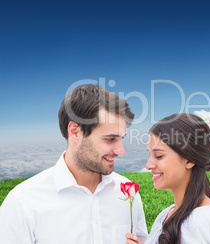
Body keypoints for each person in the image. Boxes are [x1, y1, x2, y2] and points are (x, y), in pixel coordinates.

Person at [0, 84, 148, 244]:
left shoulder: (127, 193)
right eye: (110, 139)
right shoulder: (23, 202)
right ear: (75, 131)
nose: (121, 150)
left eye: (121, 138)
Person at [126, 113, 210, 244]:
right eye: (150, 154)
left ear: (189, 159)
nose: (148, 165)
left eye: (158, 156)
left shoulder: (204, 222)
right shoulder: (166, 214)